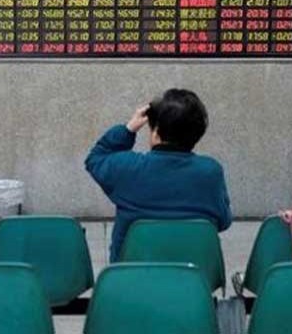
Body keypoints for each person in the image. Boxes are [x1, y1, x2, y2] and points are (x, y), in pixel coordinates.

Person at [85, 88, 233, 262]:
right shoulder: (210, 171)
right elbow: (223, 221)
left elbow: (96, 158)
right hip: (192, 279)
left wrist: (128, 129)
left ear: (155, 132)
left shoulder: (128, 168)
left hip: (131, 278)